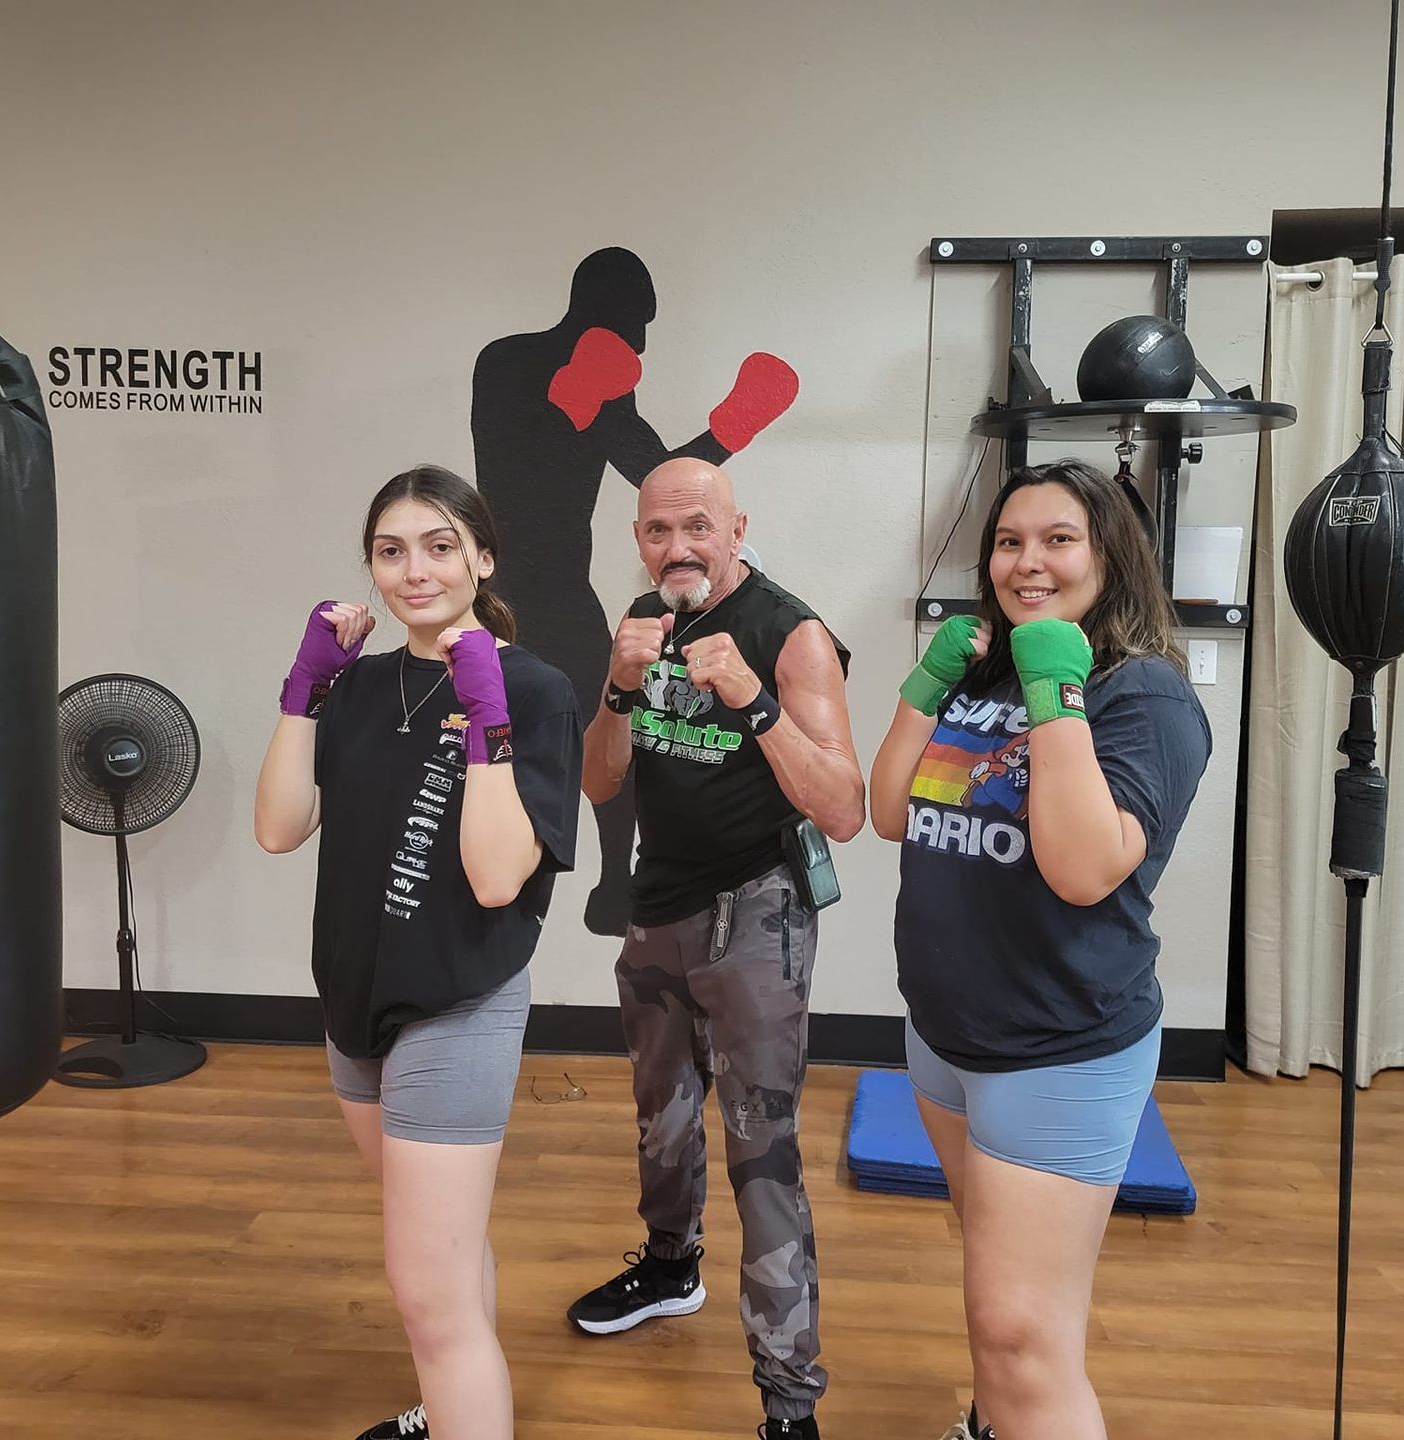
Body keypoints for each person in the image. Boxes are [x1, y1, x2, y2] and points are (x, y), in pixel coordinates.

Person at [867, 460, 1212, 1440]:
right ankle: (991, 1424)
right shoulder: (984, 670)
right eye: (1009, 541)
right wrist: (925, 689)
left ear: (1111, 555)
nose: (1028, 562)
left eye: (1058, 539)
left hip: (1058, 1049)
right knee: (997, 1293)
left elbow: (1082, 870)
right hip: (946, 1036)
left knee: (1022, 1335)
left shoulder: (1143, 697)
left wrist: (1056, 692)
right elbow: (892, 813)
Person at [253, 465, 582, 1440]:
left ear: (481, 557)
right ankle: (452, 1410)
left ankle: (460, 1404)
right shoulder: (357, 687)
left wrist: (487, 720)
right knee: (444, 1261)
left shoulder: (534, 689)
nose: (415, 570)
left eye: (440, 546)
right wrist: (301, 691)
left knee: (426, 1296)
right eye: (390, 551)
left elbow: (495, 878)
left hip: (456, 1002)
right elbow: (279, 828)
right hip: (354, 1004)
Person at [567, 457, 862, 1440]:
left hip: (757, 914)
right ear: (638, 539)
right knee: (661, 1115)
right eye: (657, 530)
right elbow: (600, 784)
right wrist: (616, 685)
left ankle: (789, 1403)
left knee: (760, 1152)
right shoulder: (647, 623)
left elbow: (843, 806)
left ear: (738, 529)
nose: (677, 547)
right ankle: (669, 1267)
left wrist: (753, 700)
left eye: (697, 526)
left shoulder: (793, 633)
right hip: (658, 906)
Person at [472, 246, 798, 936]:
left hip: (556, 589)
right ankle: (537, 871)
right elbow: (507, 454)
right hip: (506, 591)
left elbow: (661, 476)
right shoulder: (506, 361)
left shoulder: (606, 385)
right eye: (639, 323)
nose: (642, 342)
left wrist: (729, 430)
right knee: (502, 732)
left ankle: (614, 883)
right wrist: (566, 409)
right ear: (607, 309)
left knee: (604, 726)